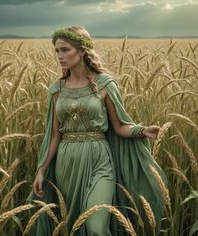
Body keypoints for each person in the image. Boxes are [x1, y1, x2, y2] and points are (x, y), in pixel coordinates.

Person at [27, 25, 168, 236]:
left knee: (96, 227)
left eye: (65, 50)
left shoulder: (104, 84)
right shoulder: (56, 89)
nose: (60, 56)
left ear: (82, 50)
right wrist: (41, 169)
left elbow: (119, 126)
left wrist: (142, 131)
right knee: (72, 224)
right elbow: (54, 135)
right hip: (67, 163)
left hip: (100, 161)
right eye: (57, 50)